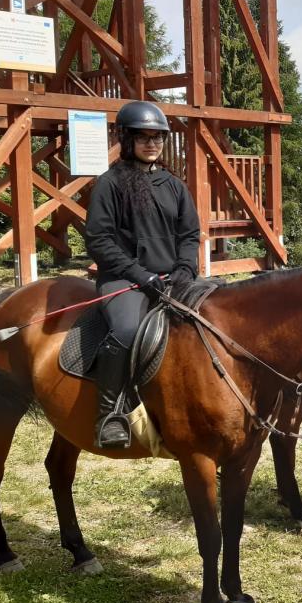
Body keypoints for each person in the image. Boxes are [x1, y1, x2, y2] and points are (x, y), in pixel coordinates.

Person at [85, 101, 200, 448]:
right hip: (124, 279)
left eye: (157, 138)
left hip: (172, 279)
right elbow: (99, 240)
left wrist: (185, 269)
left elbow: (189, 235)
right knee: (126, 330)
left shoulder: (175, 186)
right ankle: (109, 415)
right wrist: (140, 274)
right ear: (127, 139)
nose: (152, 144)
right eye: (144, 137)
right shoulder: (109, 184)